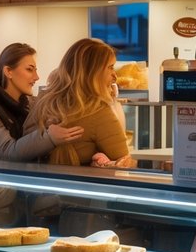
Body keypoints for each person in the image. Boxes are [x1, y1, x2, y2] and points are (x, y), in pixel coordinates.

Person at [0, 42, 83, 162]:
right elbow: (8, 151)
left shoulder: (30, 104)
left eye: (35, 70)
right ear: (8, 71)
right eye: (30, 70)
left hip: (22, 178)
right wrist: (49, 137)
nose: (36, 77)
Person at [28, 38, 133, 168]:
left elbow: (23, 146)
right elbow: (124, 162)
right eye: (110, 67)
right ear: (93, 72)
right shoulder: (99, 112)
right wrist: (105, 164)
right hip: (81, 185)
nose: (114, 76)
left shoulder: (43, 101)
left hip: (37, 185)